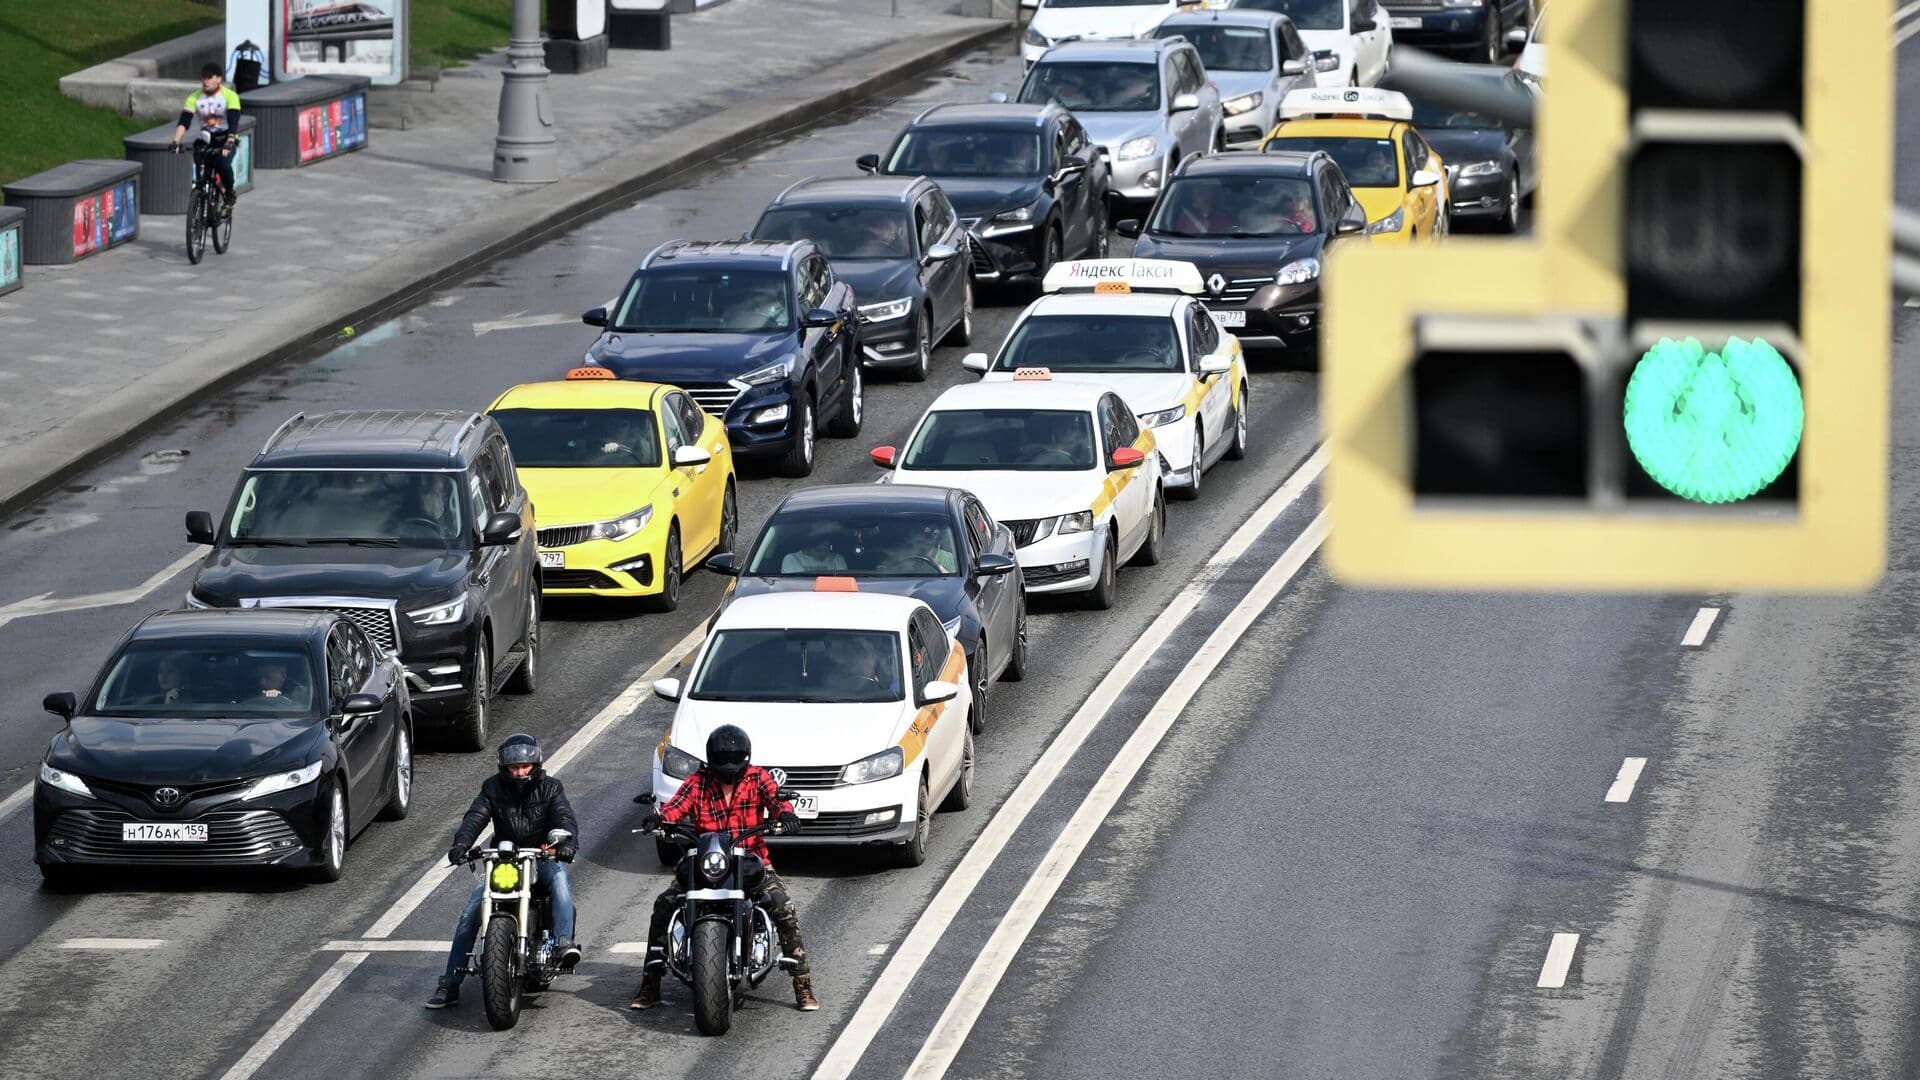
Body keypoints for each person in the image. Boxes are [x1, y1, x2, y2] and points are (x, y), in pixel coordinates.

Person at [633, 725, 817, 1012]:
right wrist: (659, 818)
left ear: (745, 759)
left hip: (751, 859)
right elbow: (676, 807)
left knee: (783, 906)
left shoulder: (758, 777)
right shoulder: (697, 781)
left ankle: (802, 981)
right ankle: (651, 982)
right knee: (664, 906)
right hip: (704, 860)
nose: (728, 771)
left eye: (734, 765)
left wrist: (785, 815)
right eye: (722, 766)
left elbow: (777, 800)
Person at [426, 734, 582, 1009]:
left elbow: (564, 817)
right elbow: (476, 816)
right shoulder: (492, 788)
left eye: (525, 766)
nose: (520, 772)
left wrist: (567, 843)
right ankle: (449, 982)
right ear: (504, 768)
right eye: (514, 767)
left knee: (560, 882)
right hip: (504, 859)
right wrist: (462, 843)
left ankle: (562, 944)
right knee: (470, 913)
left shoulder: (551, 788)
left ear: (535, 765)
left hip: (542, 855)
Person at [171, 63, 243, 215]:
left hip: (225, 139)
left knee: (223, 165)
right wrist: (176, 141)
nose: (205, 81)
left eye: (209, 77)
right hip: (206, 139)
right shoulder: (194, 98)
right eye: (203, 77)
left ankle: (230, 194)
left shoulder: (230, 96)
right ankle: (200, 201)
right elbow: (185, 120)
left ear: (219, 79)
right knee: (201, 176)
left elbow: (233, 120)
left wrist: (230, 140)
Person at [782, 523, 848, 574]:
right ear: (809, 542)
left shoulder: (837, 560)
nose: (823, 545)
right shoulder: (792, 559)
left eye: (825, 539)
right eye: (818, 540)